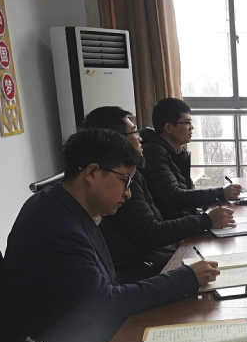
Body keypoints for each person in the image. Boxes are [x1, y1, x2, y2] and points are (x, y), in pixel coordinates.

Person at [0, 128, 221, 342]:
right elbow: (104, 305)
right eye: (125, 180)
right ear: (92, 173)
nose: (128, 193)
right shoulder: (57, 227)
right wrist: (185, 278)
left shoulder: (62, 204)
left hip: (79, 324)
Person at [83, 106, 235, 283]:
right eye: (134, 131)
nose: (140, 137)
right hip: (150, 270)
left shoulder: (150, 164)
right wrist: (206, 219)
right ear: (114, 139)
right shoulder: (147, 158)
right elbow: (153, 228)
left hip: (160, 258)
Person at [141, 98, 242, 220]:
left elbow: (188, 190)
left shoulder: (177, 151)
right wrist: (221, 193)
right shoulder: (153, 153)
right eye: (187, 122)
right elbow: (174, 197)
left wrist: (214, 202)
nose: (192, 127)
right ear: (169, 127)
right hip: (173, 225)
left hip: (185, 220)